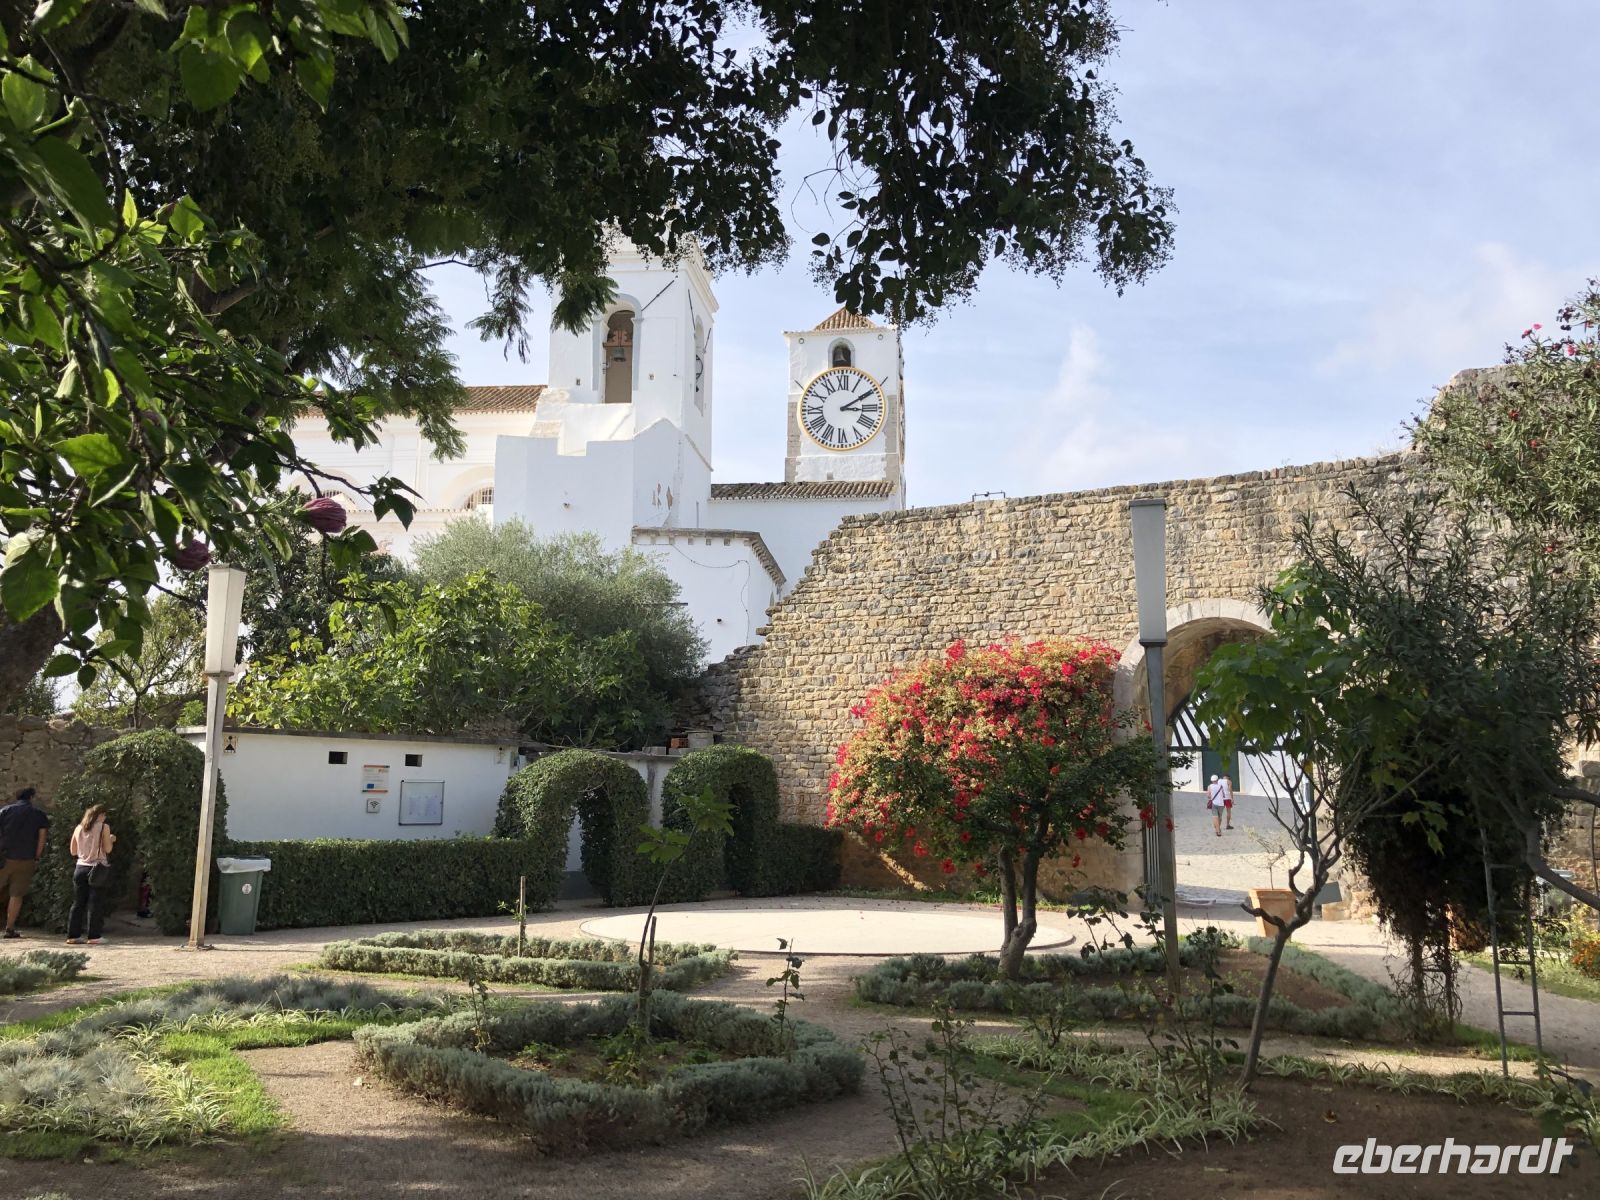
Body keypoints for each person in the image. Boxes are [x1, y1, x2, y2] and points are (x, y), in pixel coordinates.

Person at [0, 785, 51, 938]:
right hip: (26, 858)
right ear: (31, 797)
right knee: (17, 894)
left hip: (3, 857)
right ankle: (9, 928)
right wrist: (36, 856)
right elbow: (42, 838)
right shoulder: (39, 815)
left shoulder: (5, 812)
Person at [66, 804, 115, 946]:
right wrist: (111, 839)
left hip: (80, 867)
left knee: (78, 902)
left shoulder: (78, 828)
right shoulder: (103, 827)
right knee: (95, 903)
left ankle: (73, 935)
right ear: (100, 815)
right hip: (97, 867)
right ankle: (94, 935)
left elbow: (73, 851)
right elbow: (108, 849)